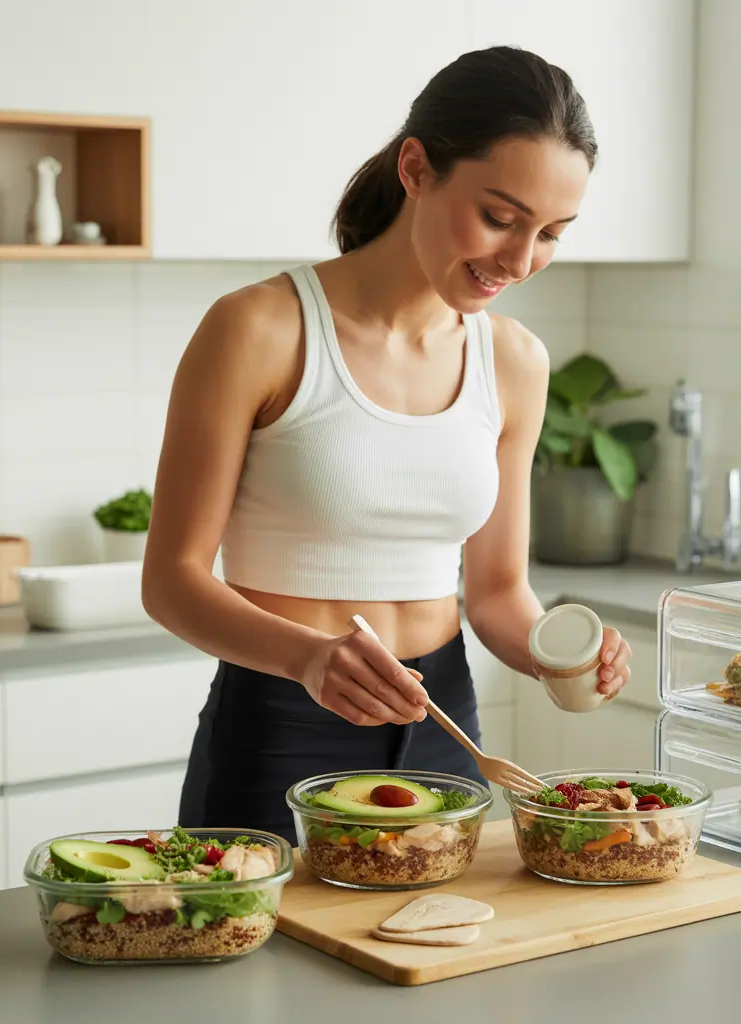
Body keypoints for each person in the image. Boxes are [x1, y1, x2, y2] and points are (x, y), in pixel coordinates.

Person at [142, 45, 633, 846]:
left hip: (447, 725)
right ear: (416, 168)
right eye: (500, 217)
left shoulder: (514, 361)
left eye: (551, 233)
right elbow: (172, 581)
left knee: (447, 960)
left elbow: (499, 590)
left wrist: (557, 659)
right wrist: (308, 659)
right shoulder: (258, 329)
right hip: (282, 722)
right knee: (265, 966)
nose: (519, 259)